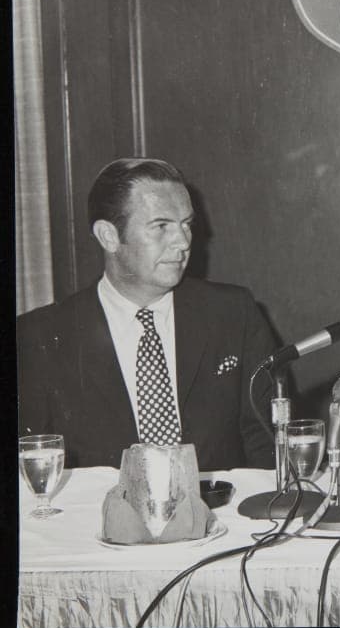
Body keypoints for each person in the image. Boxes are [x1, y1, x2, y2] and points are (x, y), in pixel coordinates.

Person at [17, 158, 276, 470]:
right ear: (108, 236)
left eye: (186, 224)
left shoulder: (234, 312)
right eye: (161, 226)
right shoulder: (39, 336)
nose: (182, 242)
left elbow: (266, 444)